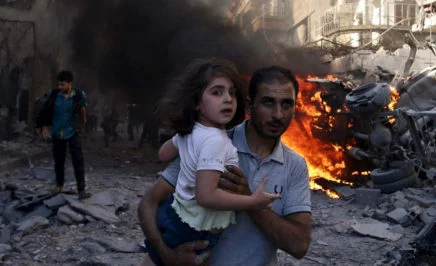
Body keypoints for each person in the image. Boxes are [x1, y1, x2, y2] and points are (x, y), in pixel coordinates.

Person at [138, 65, 312, 266]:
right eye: (268, 103)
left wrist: (249, 200)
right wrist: (167, 255)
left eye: (287, 104)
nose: (278, 115)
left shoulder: (295, 166)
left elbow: (299, 246)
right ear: (249, 106)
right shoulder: (212, 143)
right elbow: (148, 204)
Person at [37, 70, 91, 200]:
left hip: (72, 131)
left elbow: (83, 109)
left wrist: (82, 123)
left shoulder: (79, 95)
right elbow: (43, 108)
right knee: (58, 160)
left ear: (70, 84)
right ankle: (59, 186)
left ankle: (81, 190)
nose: (60, 87)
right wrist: (44, 125)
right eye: (59, 84)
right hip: (57, 131)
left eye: (63, 85)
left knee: (78, 160)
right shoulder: (53, 94)